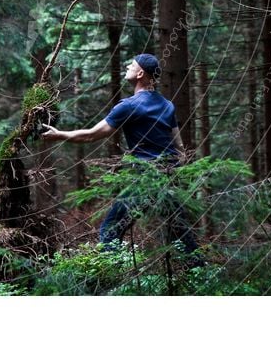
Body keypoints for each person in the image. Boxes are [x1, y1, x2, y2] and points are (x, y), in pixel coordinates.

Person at [41, 54, 201, 258]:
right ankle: (199, 273)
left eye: (131, 65)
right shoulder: (167, 105)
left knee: (110, 231)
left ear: (141, 73)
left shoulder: (129, 105)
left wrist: (59, 135)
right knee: (182, 236)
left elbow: (91, 136)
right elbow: (179, 148)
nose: (127, 66)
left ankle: (114, 279)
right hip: (168, 179)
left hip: (143, 180)